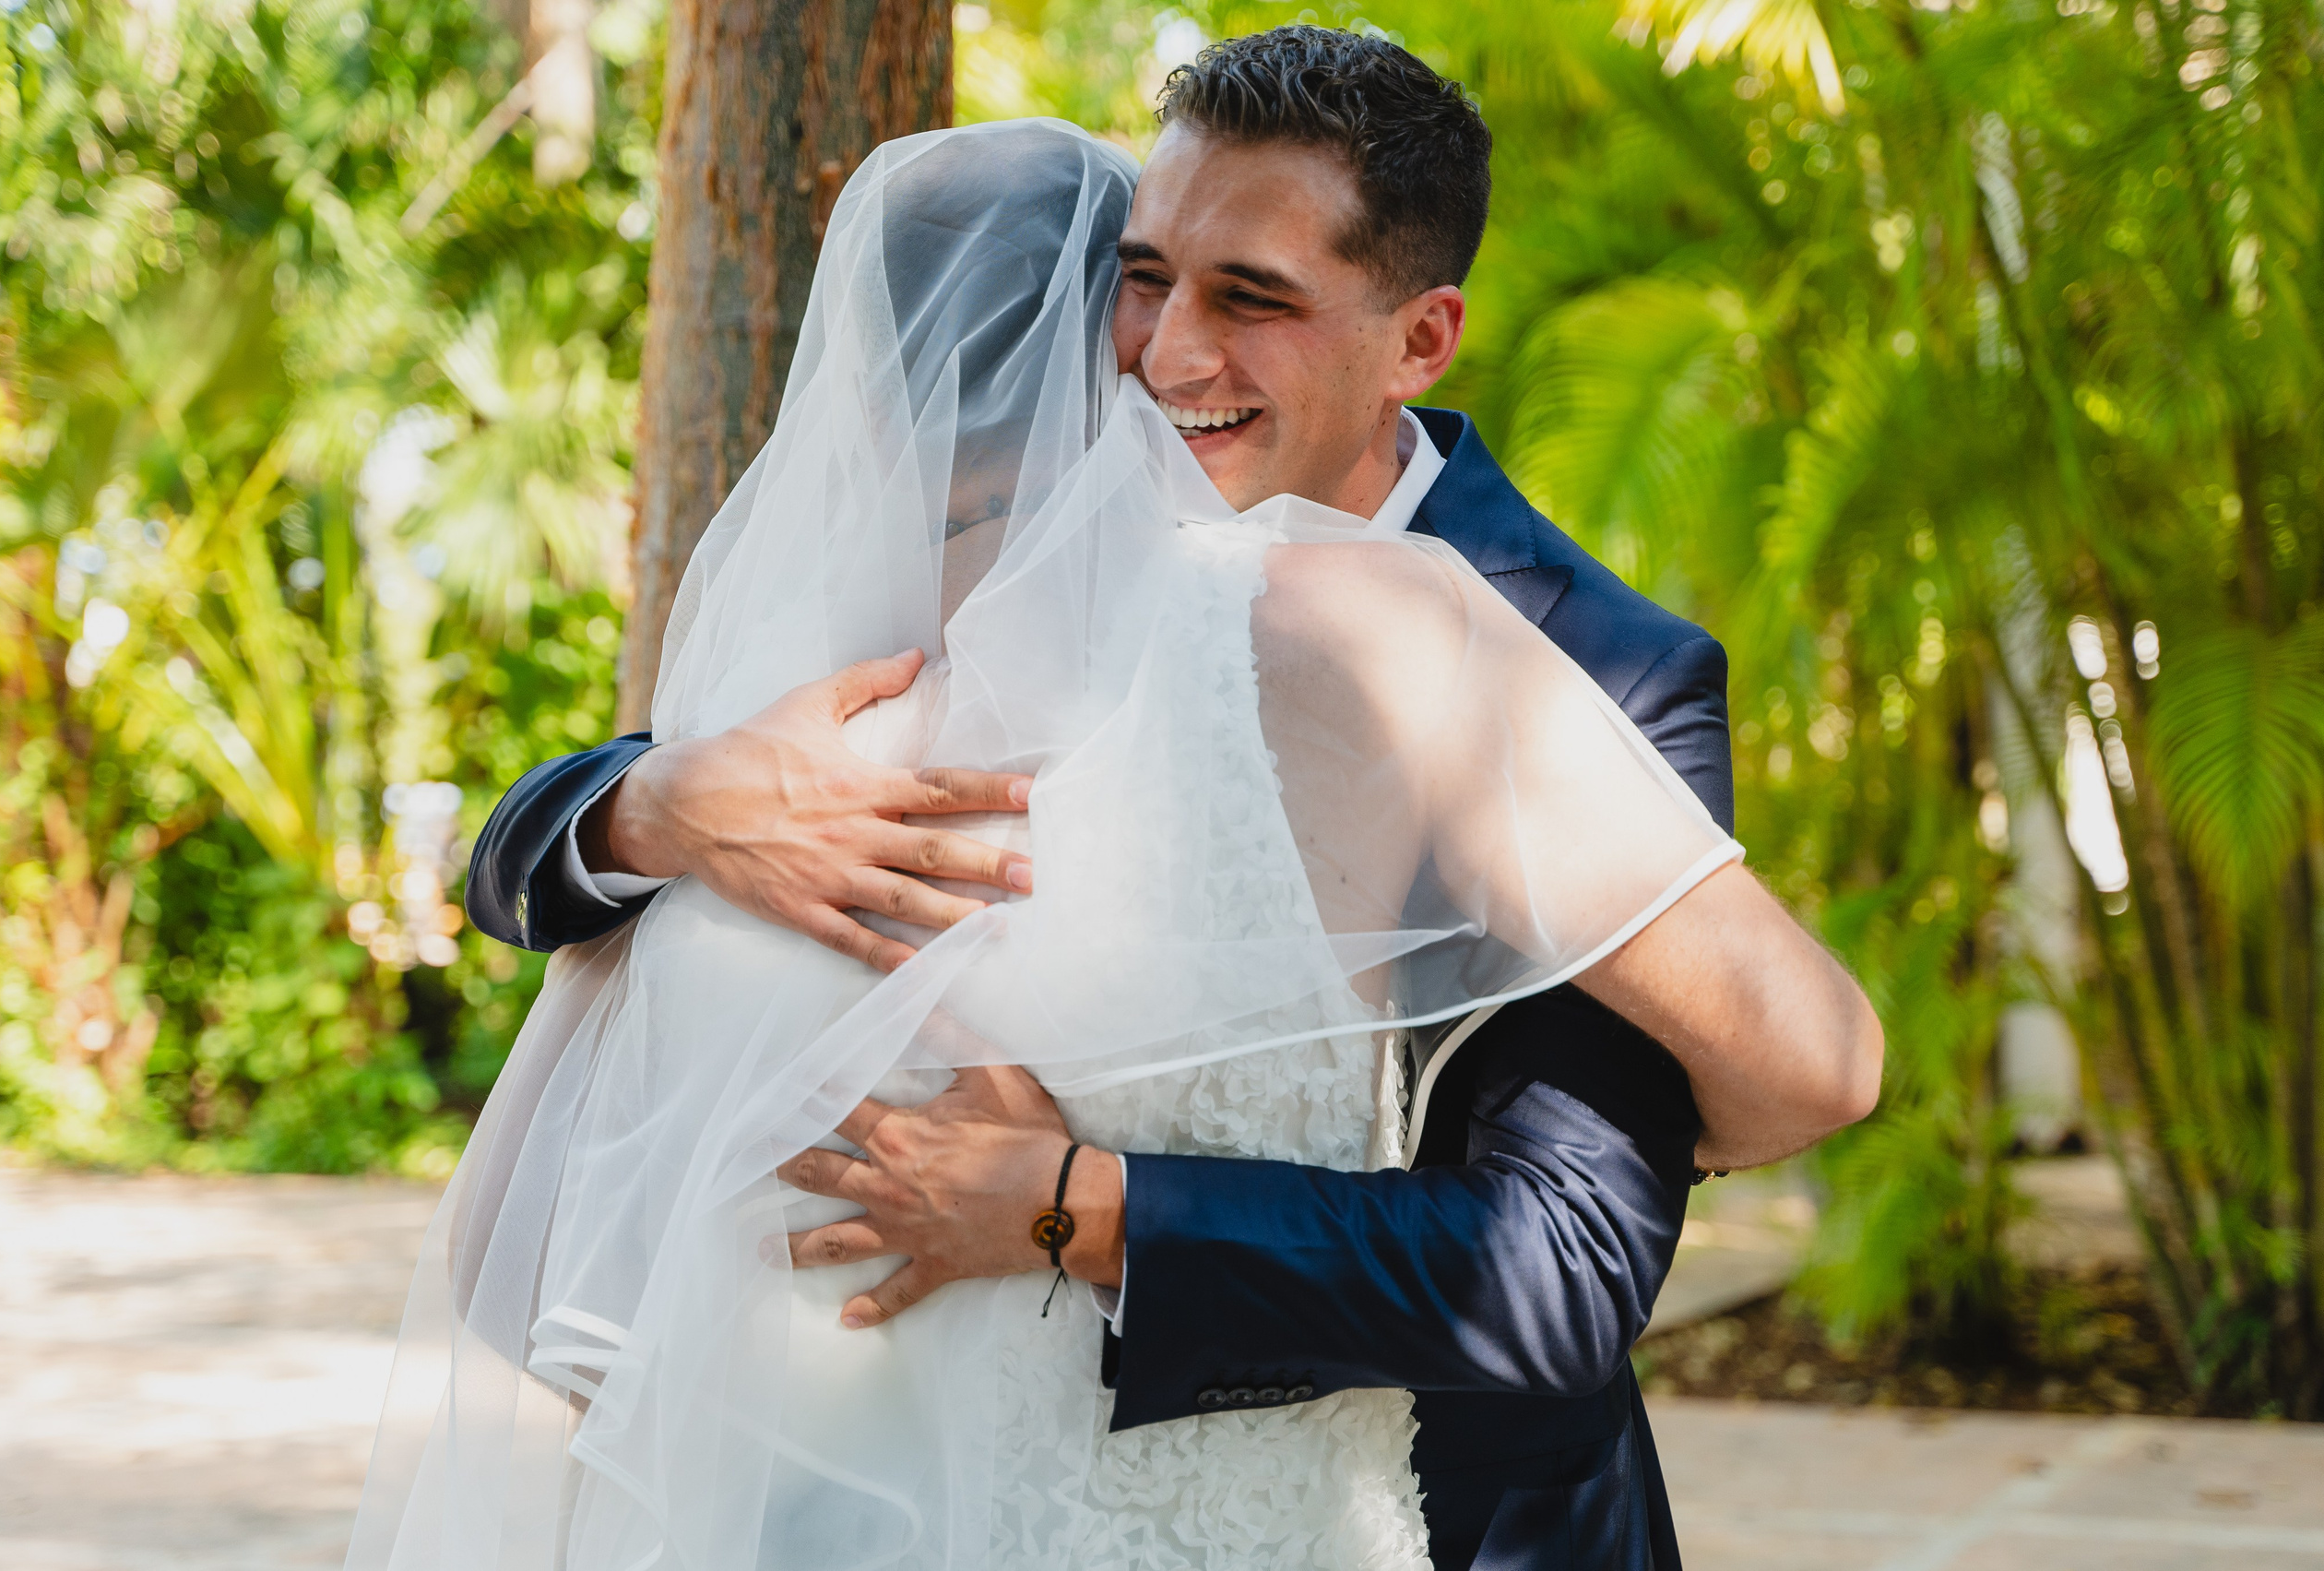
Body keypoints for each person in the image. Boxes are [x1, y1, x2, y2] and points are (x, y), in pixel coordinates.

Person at [438, 32, 1881, 1571]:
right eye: (1142, 279)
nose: (1165, 353)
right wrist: (651, 810)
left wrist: (1073, 1206)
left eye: (1251, 299)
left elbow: (1562, 1265)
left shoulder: (1556, 662)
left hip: (1417, 1518)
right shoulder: (983, 580)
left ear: (1421, 340)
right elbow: (553, 911)